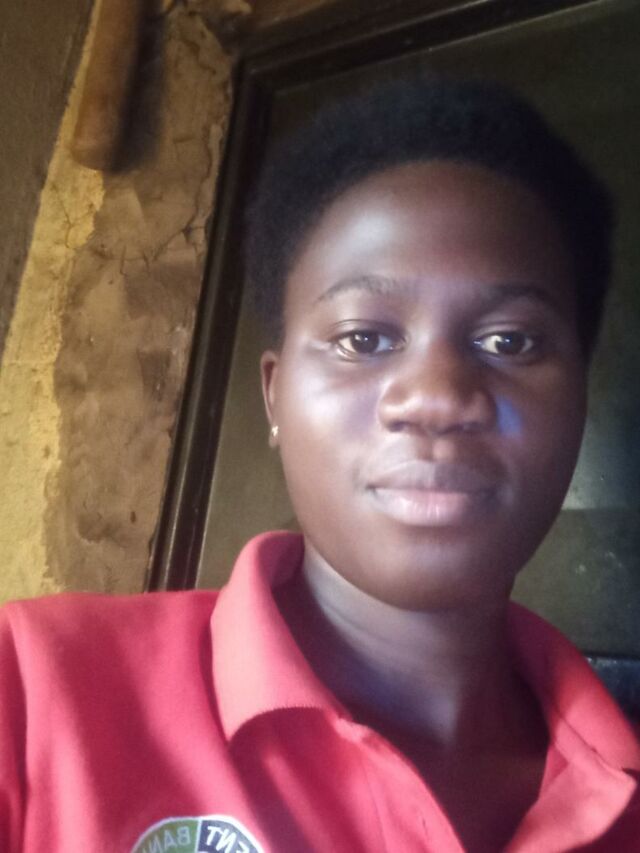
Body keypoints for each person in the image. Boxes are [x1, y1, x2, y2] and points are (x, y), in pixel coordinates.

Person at [1, 75, 638, 853]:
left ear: (578, 401)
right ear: (275, 396)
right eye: (363, 338)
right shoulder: (29, 693)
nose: (437, 398)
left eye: (511, 340)